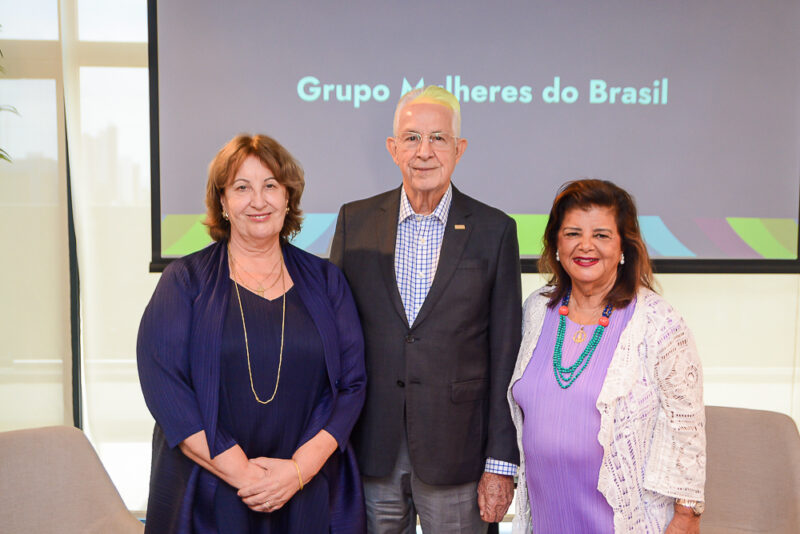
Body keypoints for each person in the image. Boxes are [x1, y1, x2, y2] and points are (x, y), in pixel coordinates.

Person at [137, 134, 367, 534]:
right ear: (223, 202)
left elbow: (351, 385)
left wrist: (297, 471)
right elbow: (164, 386)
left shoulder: (328, 281)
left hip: (307, 488)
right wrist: (243, 474)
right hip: (208, 489)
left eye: (271, 186)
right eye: (241, 187)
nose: (258, 201)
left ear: (288, 198)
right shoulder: (184, 281)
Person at [329, 86, 522, 533]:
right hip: (370, 446)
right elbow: (334, 338)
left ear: (459, 148)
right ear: (393, 149)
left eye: (438, 138)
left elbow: (505, 352)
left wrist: (500, 461)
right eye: (412, 138)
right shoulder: (353, 222)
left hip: (459, 454)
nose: (424, 152)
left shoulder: (495, 231)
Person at [508, 179, 706, 534]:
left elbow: (686, 429)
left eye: (601, 235)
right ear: (556, 243)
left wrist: (687, 514)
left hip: (621, 521)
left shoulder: (659, 323)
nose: (586, 246)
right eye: (572, 233)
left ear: (623, 247)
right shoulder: (536, 310)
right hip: (548, 515)